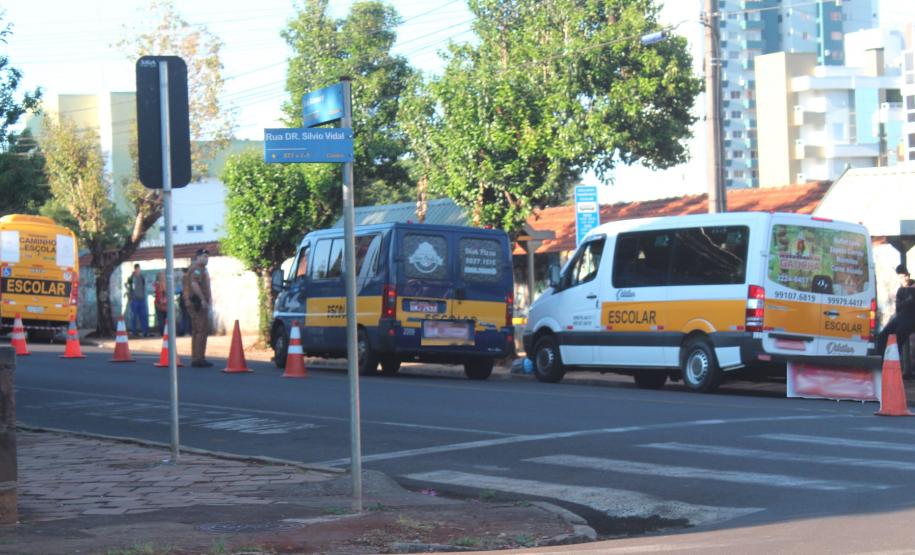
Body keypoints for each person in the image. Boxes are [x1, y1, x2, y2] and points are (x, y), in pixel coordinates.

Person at [876, 264, 915, 363]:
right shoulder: (901, 290)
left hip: (911, 319)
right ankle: (881, 363)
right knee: (882, 336)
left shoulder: (913, 286)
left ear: (909, 275)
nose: (905, 278)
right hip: (901, 318)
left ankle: (896, 365)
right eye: (902, 277)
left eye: (906, 276)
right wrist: (908, 301)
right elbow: (898, 307)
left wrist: (906, 303)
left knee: (897, 339)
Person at [183, 249, 213, 367]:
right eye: (204, 256)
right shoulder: (196, 269)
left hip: (196, 302)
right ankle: (198, 358)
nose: (207, 259)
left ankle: (197, 357)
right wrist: (202, 299)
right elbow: (194, 284)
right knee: (201, 330)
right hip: (197, 303)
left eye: (207, 257)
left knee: (197, 330)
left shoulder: (200, 269)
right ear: (198, 257)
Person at [125, 264, 149, 337]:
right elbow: (127, 285)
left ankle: (145, 332)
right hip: (134, 300)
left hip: (142, 299)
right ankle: (134, 332)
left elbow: (145, 286)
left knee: (143, 316)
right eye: (137, 269)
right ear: (135, 269)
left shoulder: (142, 277)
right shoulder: (131, 278)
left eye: (139, 269)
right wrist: (130, 295)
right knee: (133, 317)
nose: (138, 271)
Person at [153, 271, 169, 336]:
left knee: (163, 320)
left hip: (163, 305)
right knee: (163, 320)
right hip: (161, 304)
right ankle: (164, 332)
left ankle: (164, 332)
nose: (163, 277)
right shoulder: (159, 285)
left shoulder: (158, 284)